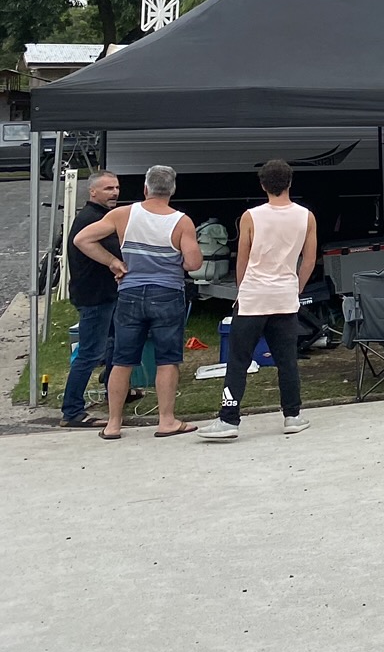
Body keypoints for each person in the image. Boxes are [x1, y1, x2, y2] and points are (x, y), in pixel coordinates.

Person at [73, 163, 202, 439]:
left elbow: (82, 239)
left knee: (122, 360)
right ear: (172, 190)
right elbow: (193, 264)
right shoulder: (182, 222)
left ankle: (113, 424)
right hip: (167, 294)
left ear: (145, 189)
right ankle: (166, 420)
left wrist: (113, 262)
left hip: (130, 293)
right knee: (167, 359)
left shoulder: (123, 214)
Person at [200, 159, 316, 442]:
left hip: (253, 296)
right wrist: (296, 288)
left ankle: (228, 419)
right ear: (290, 182)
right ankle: (292, 415)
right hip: (284, 296)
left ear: (262, 185)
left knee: (238, 359)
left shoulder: (250, 216)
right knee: (286, 360)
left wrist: (242, 290)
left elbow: (242, 259)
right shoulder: (306, 217)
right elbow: (309, 259)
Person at [58, 170, 123, 429]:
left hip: (106, 294)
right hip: (95, 297)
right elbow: (111, 251)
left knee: (116, 344)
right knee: (90, 353)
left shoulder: (102, 217)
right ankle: (72, 411)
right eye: (108, 189)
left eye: (116, 188)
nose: (115, 193)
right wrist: (115, 262)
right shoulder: (91, 219)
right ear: (92, 191)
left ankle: (115, 390)